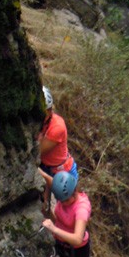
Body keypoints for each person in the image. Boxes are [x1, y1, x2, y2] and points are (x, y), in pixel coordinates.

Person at [38, 85, 77, 216]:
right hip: (48, 167)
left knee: (70, 210)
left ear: (49, 110)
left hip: (63, 173)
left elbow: (38, 151)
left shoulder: (57, 127)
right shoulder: (42, 123)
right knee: (46, 206)